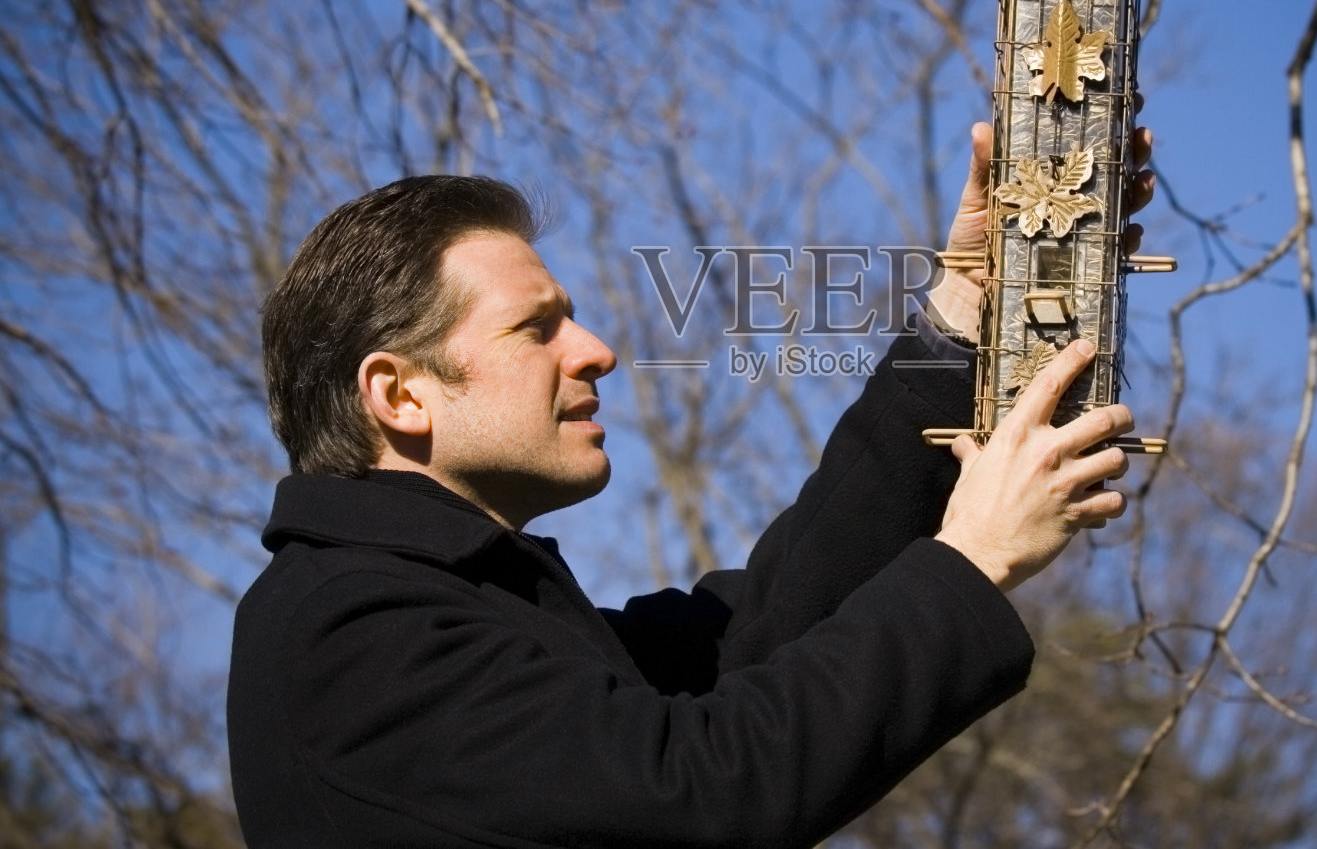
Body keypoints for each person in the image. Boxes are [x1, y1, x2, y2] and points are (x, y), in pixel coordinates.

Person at [228, 122, 1154, 847]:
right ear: (399, 395)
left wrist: (963, 309)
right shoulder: (345, 628)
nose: (596, 350)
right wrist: (972, 558)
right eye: (535, 328)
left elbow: (764, 628)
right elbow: (697, 795)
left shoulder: (462, 610)